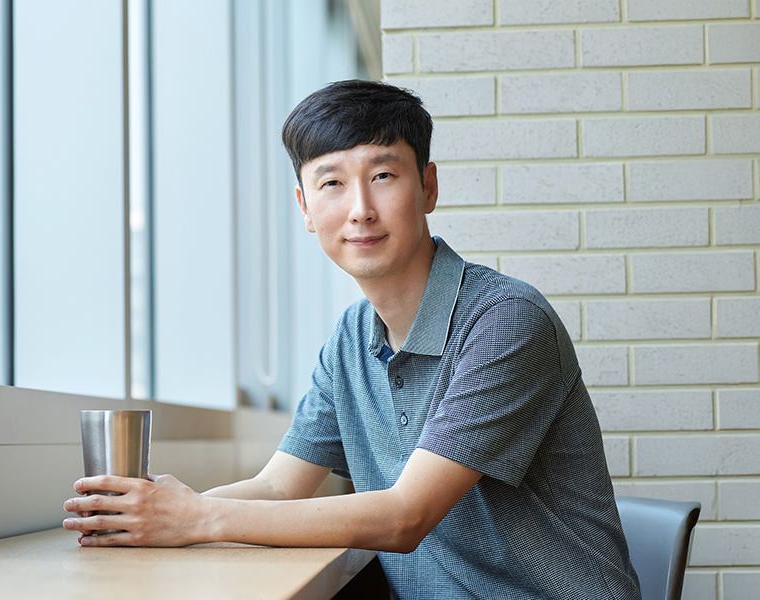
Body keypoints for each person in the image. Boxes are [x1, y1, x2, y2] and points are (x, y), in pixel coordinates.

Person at [63, 79, 641, 599]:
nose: (360, 210)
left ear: (428, 186)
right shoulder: (350, 338)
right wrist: (156, 515)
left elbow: (404, 517)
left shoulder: (507, 320)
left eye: (383, 176)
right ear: (306, 208)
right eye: (332, 183)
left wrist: (195, 520)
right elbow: (278, 486)